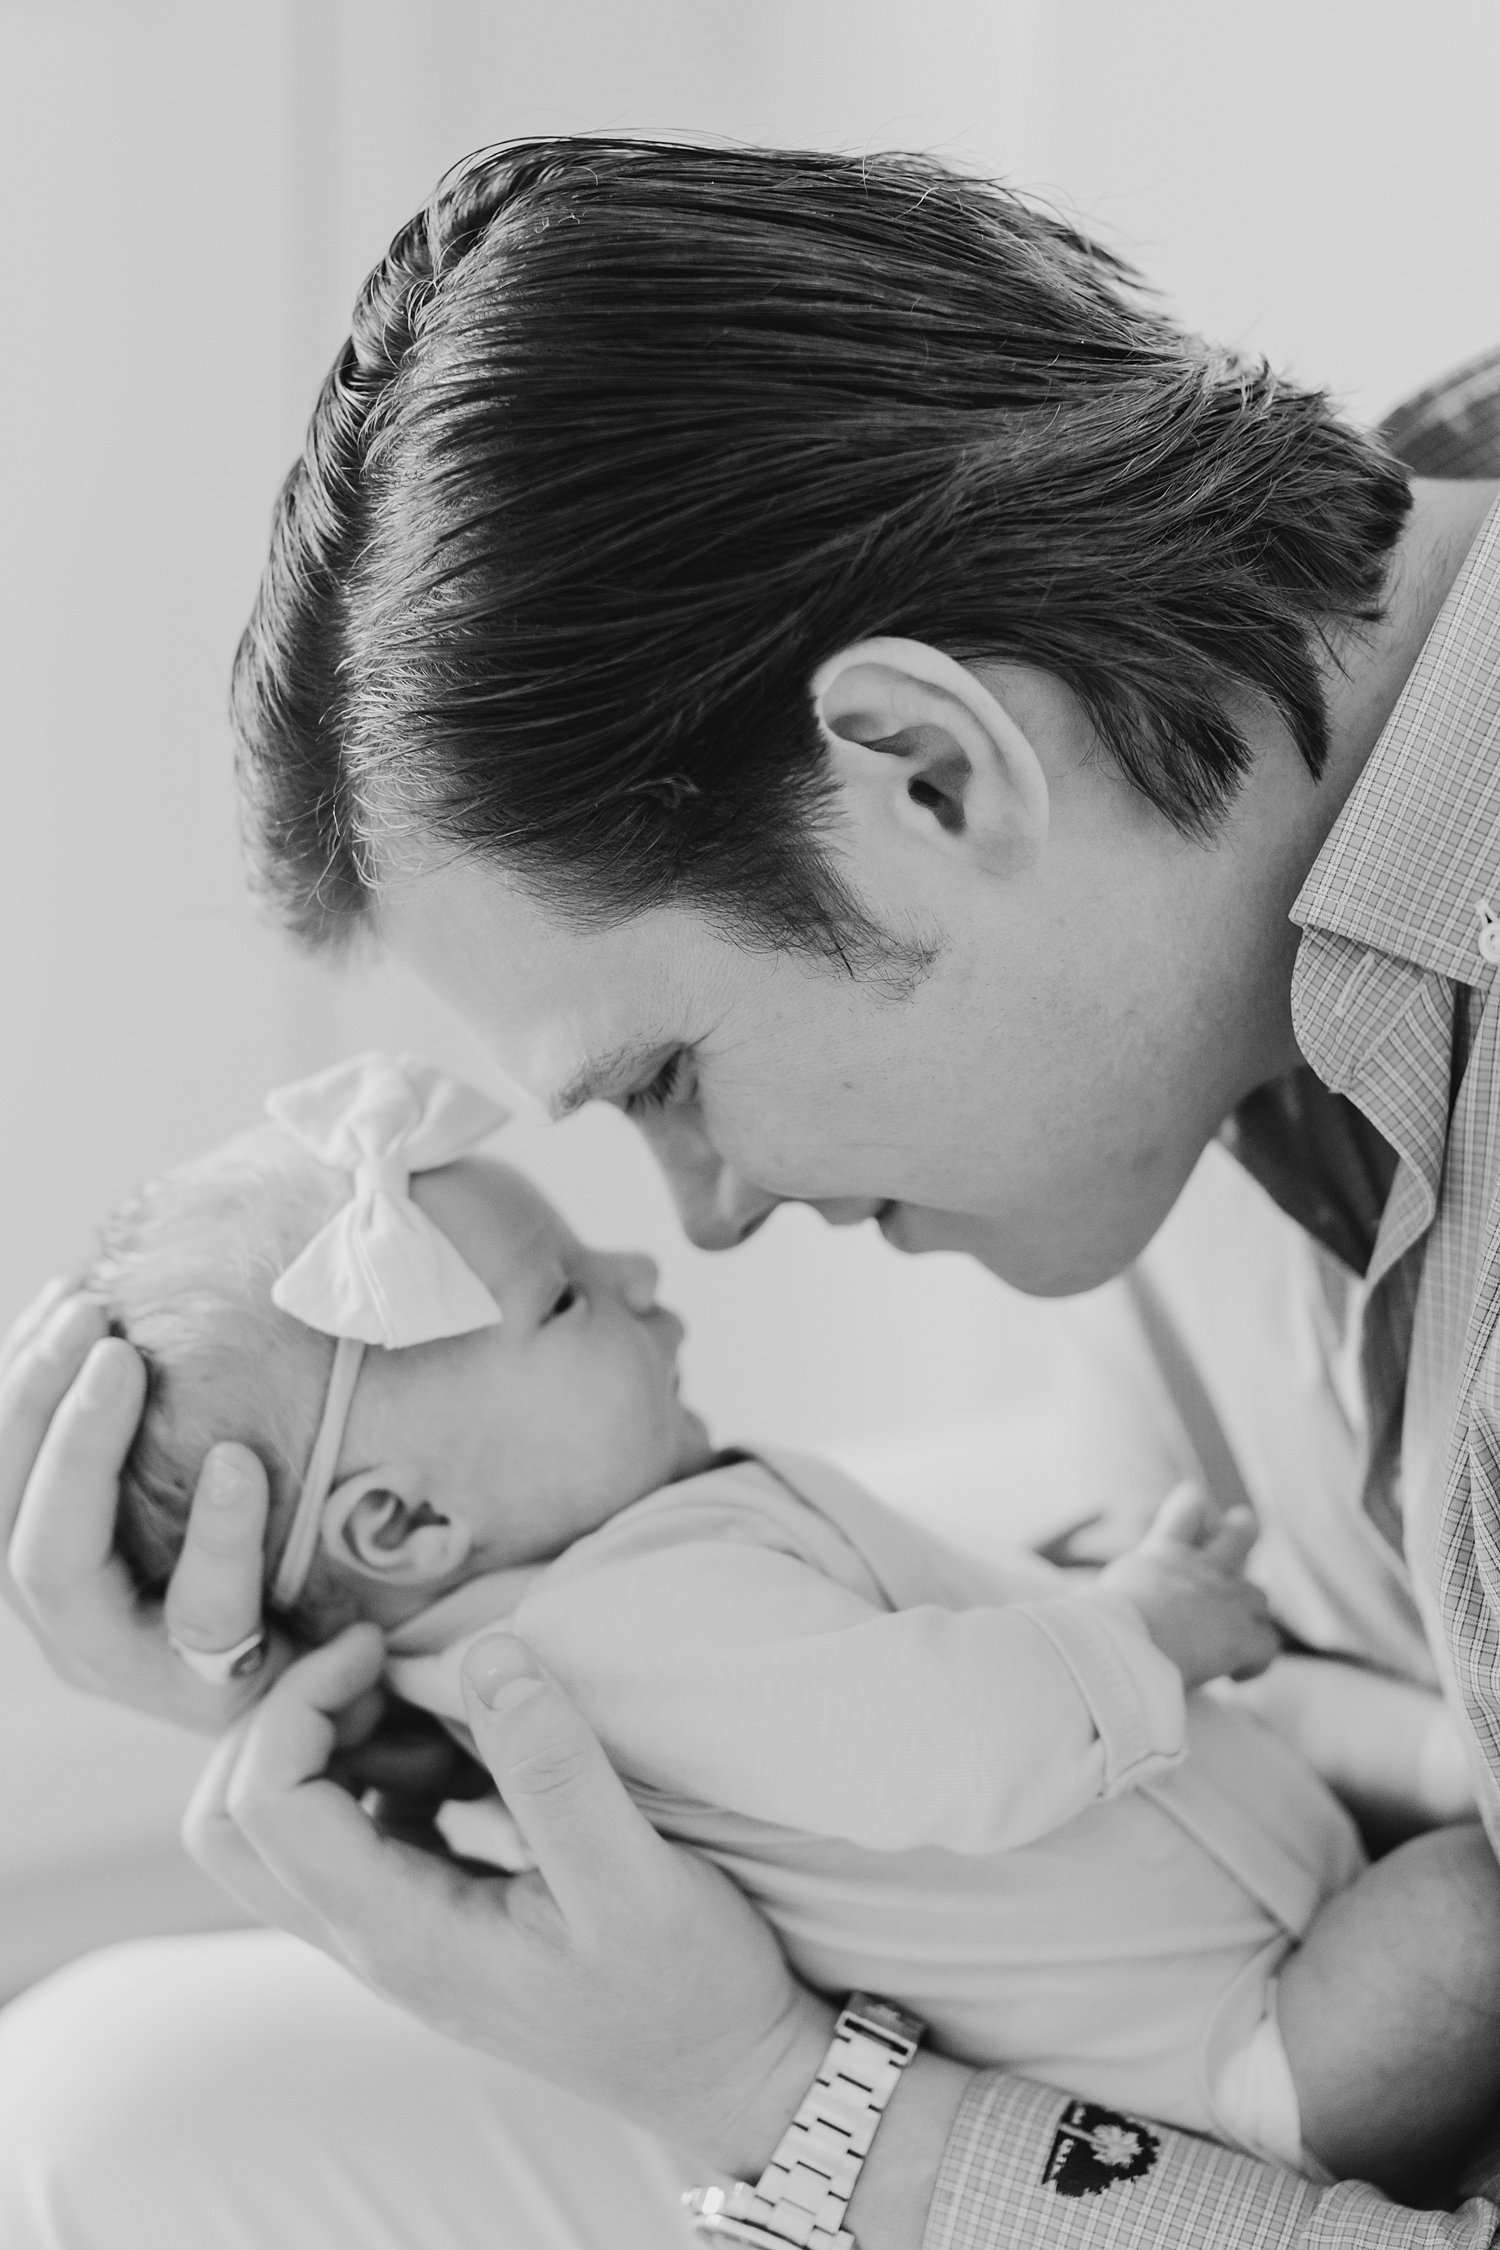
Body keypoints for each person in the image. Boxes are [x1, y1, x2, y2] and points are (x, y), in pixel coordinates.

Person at [5, 136, 1500, 2249]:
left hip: (1293, 2004)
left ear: (924, 772)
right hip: (1234, 1855)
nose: (701, 1218)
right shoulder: (1325, 714)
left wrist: (776, 2098)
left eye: (670, 1079)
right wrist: (397, 1652)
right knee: (96, 2096)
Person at [95, 1045, 1500, 2197]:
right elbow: (949, 1738)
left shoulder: (609, 1581)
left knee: (1354, 1736)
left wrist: (1089, 1589)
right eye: (566, 1296)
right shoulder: (609, 1638)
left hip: (1241, 1855)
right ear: (403, 1527)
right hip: (1236, 2046)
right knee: (1460, 1924)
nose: (647, 1273)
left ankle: (1451, 1754)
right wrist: (1148, 1618)